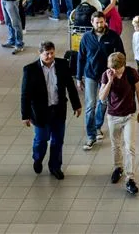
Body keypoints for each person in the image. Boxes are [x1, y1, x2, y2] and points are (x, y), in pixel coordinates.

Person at [20, 41, 82, 179]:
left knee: (58, 140)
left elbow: (70, 87)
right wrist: (25, 115)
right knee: (41, 140)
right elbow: (25, 94)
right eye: (46, 54)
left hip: (58, 109)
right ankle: (37, 158)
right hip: (41, 112)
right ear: (40, 53)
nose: (49, 56)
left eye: (52, 53)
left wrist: (76, 105)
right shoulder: (30, 70)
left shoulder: (62, 65)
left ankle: (55, 167)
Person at [98, 52, 139, 194]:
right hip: (113, 116)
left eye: (116, 69)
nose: (114, 71)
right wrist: (110, 81)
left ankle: (130, 178)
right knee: (116, 145)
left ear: (123, 65)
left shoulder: (131, 73)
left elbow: (138, 92)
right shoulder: (107, 74)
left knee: (130, 146)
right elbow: (102, 98)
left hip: (129, 114)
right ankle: (118, 167)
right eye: (111, 68)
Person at [77, 11, 124, 150]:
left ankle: (98, 126)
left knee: (103, 103)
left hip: (107, 75)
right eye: (97, 22)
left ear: (105, 22)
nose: (99, 25)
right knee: (90, 105)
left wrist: (119, 73)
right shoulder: (86, 38)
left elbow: (121, 55)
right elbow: (80, 58)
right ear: (92, 23)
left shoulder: (113, 36)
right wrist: (79, 78)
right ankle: (91, 136)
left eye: (102, 22)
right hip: (91, 75)